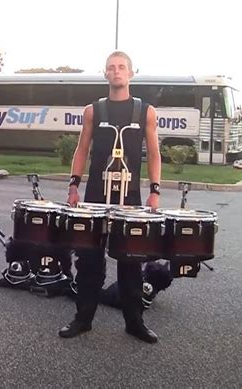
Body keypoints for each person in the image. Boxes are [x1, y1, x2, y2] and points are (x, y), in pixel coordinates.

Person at [58, 51, 162, 343]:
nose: (116, 72)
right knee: (89, 261)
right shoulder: (94, 110)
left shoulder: (145, 112)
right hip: (94, 197)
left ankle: (134, 322)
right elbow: (82, 150)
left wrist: (155, 191)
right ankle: (83, 319)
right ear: (105, 74)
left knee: (130, 262)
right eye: (111, 68)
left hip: (129, 198)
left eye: (121, 68)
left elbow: (154, 154)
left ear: (131, 73)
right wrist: (73, 186)